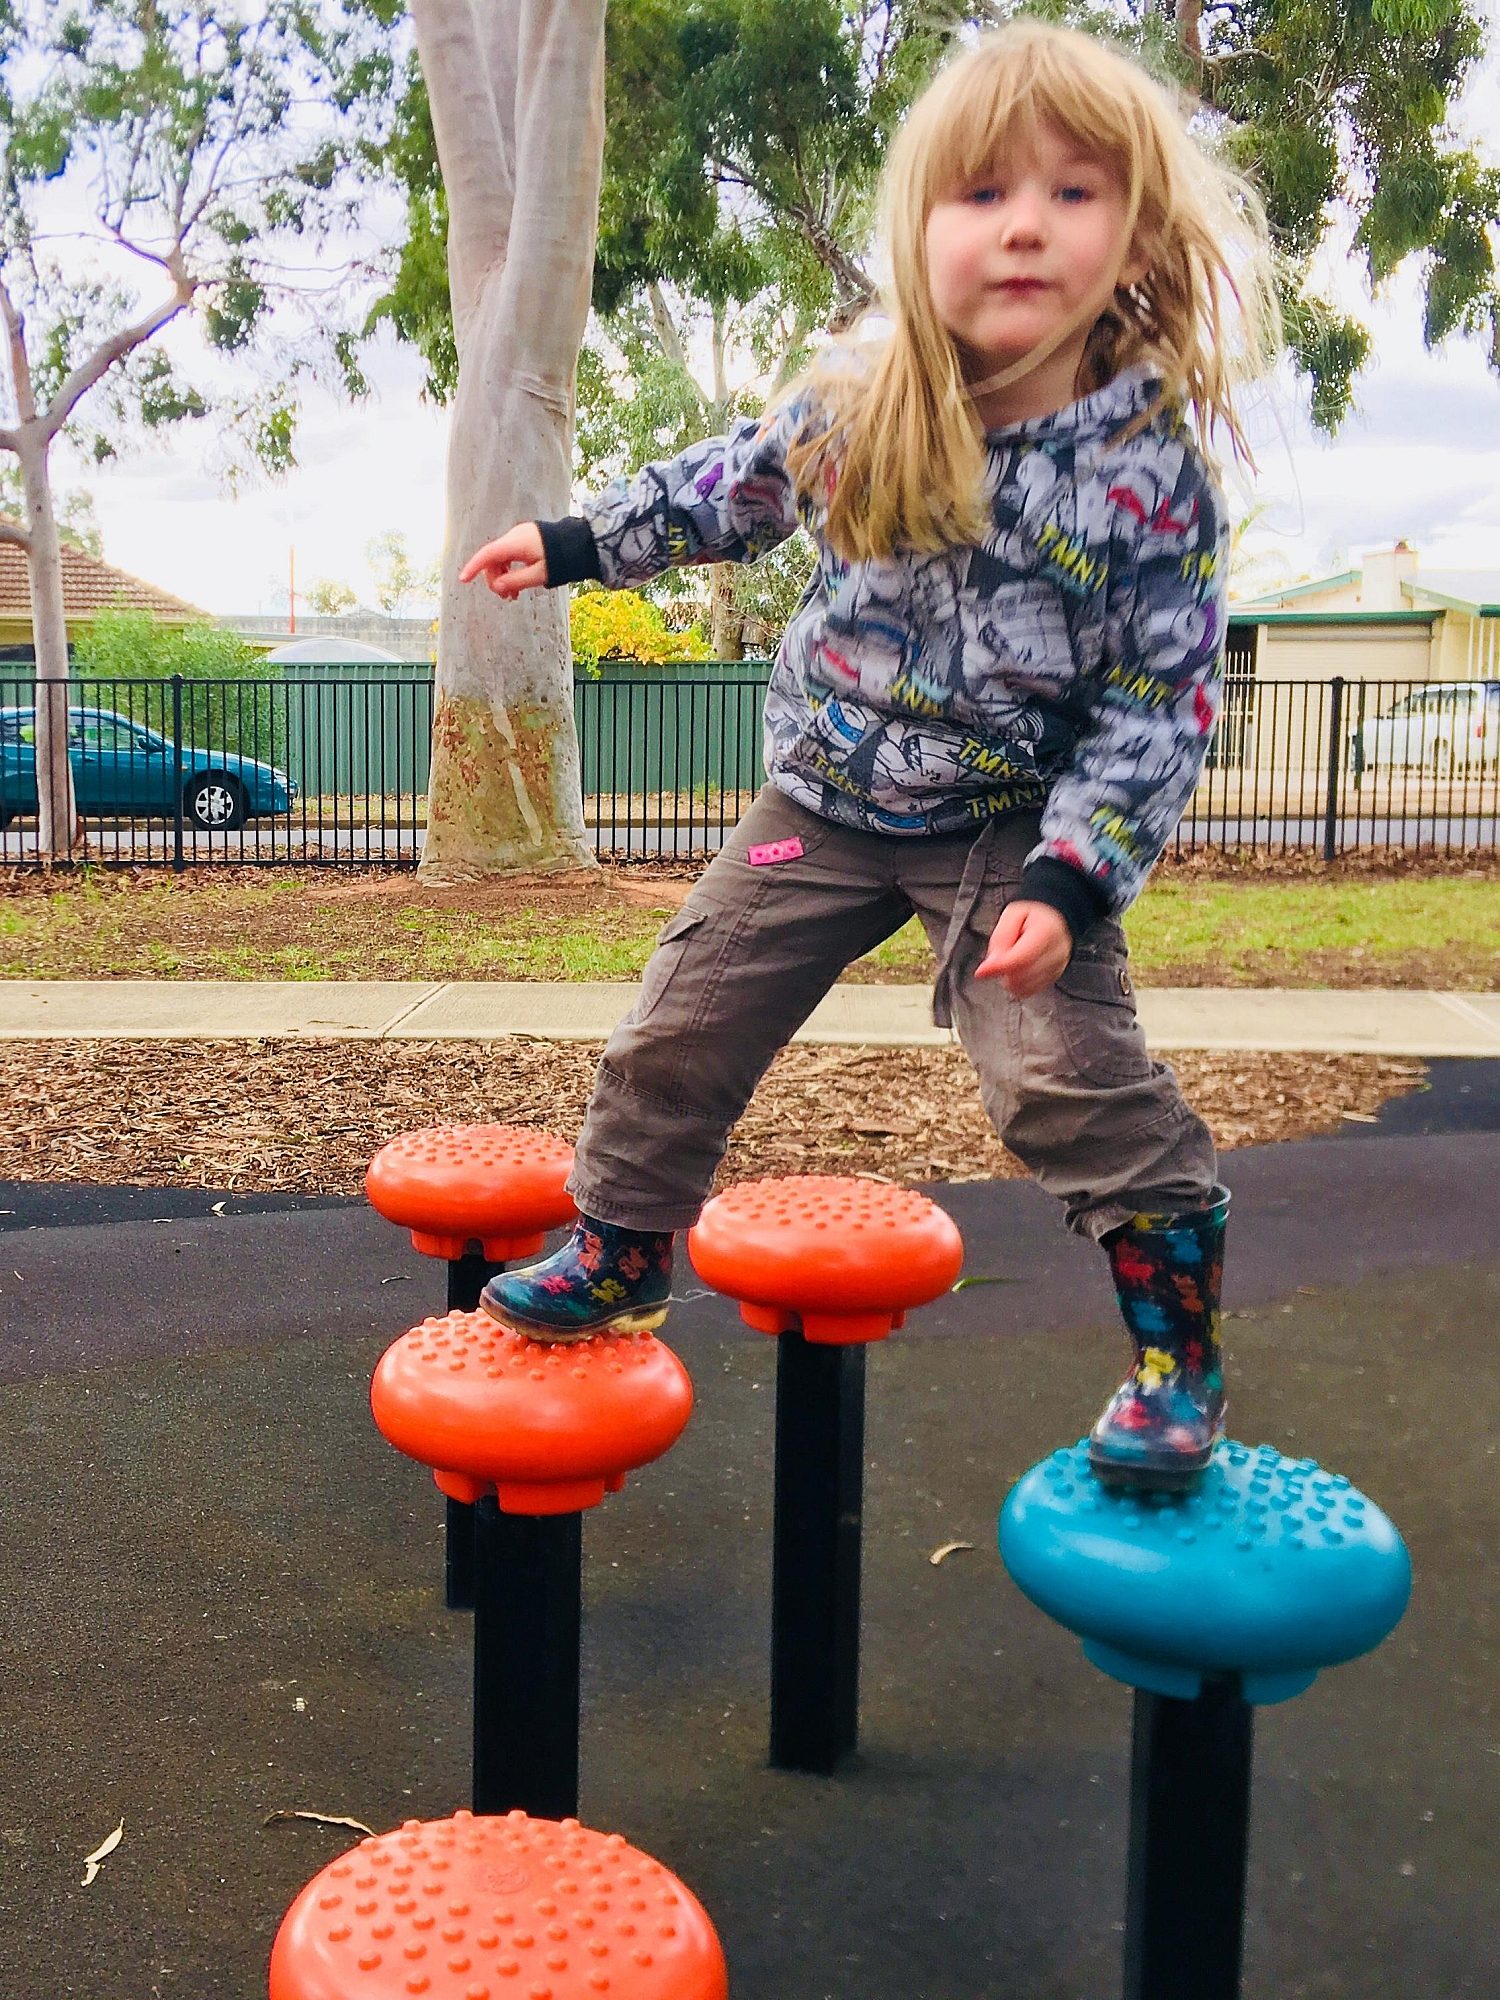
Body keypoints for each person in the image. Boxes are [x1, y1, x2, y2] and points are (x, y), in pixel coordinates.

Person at [458, 20, 1279, 1492]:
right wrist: (578, 542)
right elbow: (727, 491)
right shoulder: (864, 396)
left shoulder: (1151, 474)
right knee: (681, 1017)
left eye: (1073, 193)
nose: (1024, 225)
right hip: (823, 797)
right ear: (921, 227)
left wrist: (1076, 877)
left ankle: (1177, 1357)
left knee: (1063, 1076)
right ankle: (624, 1252)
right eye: (982, 195)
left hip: (1009, 830)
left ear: (1139, 226)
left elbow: (1159, 701)